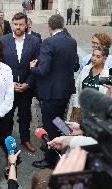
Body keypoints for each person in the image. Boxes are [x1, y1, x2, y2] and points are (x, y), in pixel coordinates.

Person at [30, 14, 76, 168]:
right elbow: (73, 65)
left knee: (50, 126)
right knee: (59, 121)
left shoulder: (49, 42)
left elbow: (43, 70)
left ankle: (50, 160)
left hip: (50, 93)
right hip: (65, 91)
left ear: (49, 27)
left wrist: (32, 68)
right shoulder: (72, 41)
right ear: (62, 25)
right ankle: (64, 145)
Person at [0, 12, 41, 153]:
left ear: (26, 25)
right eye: (15, 24)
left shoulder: (34, 41)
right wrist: (10, 83)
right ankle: (7, 140)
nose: (18, 27)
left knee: (24, 115)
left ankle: (25, 139)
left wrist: (28, 84)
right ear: (12, 24)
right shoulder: (3, 40)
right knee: (8, 116)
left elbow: (37, 65)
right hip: (8, 87)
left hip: (26, 87)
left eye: (21, 24)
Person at [72, 46, 110, 122]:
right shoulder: (85, 70)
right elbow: (77, 89)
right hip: (82, 111)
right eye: (93, 55)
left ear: (104, 59)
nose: (94, 58)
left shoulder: (108, 74)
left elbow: (109, 97)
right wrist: (75, 106)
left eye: (98, 56)